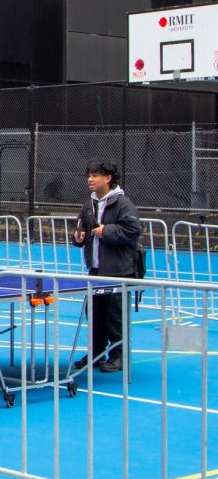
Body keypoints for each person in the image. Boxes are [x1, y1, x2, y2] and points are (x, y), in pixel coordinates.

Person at [71, 160, 142, 373]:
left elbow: (133, 230)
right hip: (96, 271)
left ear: (108, 178)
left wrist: (107, 231)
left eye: (95, 175)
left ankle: (119, 355)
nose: (90, 179)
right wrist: (78, 237)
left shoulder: (123, 204)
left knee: (115, 316)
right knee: (94, 314)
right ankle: (96, 353)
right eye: (89, 175)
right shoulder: (88, 205)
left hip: (118, 271)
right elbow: (81, 231)